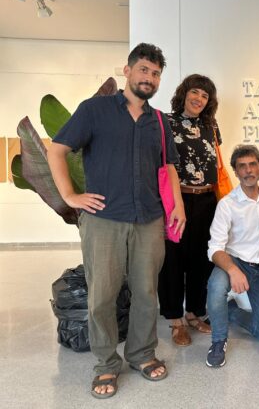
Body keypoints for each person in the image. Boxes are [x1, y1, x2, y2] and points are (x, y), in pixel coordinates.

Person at [48, 43, 184, 398]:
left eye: (156, 73)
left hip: (149, 219)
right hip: (104, 220)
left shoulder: (159, 121)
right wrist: (70, 196)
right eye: (144, 70)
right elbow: (57, 150)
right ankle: (106, 364)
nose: (149, 77)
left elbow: (169, 166)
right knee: (103, 296)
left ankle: (141, 354)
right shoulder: (94, 110)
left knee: (146, 293)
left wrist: (178, 206)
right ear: (127, 70)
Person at [157, 74, 220, 347]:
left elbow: (217, 164)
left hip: (207, 200)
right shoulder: (166, 122)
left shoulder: (211, 125)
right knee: (172, 260)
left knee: (202, 259)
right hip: (176, 198)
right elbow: (162, 164)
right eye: (195, 92)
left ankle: (194, 313)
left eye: (205, 96)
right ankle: (175, 320)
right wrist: (173, 203)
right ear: (184, 93)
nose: (199, 99)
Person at [205, 145, 259, 367]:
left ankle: (231, 311)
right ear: (236, 172)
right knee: (216, 286)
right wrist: (233, 270)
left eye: (252, 164)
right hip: (234, 261)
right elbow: (215, 248)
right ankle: (218, 341)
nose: (248, 170)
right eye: (242, 166)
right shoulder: (227, 204)